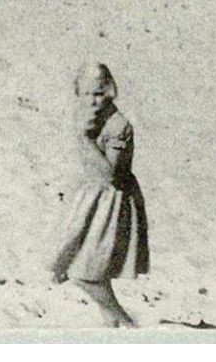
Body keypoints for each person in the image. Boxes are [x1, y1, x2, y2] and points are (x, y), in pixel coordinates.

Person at [49, 63, 149, 328]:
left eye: (99, 93)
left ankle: (127, 323)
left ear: (110, 91)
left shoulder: (119, 126)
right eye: (87, 94)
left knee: (84, 274)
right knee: (91, 268)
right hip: (90, 199)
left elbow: (110, 175)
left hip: (111, 203)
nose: (93, 101)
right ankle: (112, 326)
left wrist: (84, 139)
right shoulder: (87, 116)